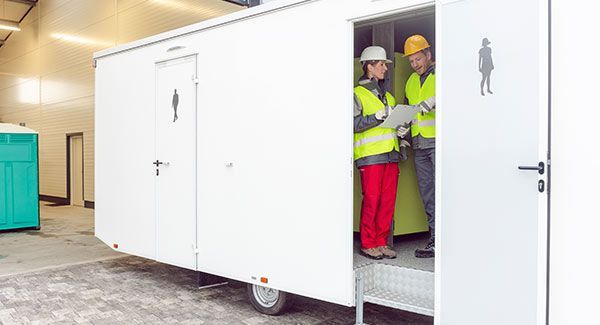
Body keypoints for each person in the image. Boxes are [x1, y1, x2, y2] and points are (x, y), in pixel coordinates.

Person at [354, 46, 399, 260]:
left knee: (387, 201)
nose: (385, 69)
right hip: (370, 156)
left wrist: (400, 128)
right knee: (372, 200)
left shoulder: (388, 96)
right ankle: (368, 243)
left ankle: (381, 242)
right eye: (381, 64)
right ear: (369, 67)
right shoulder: (357, 94)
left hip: (391, 155)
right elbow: (353, 124)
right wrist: (376, 117)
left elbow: (389, 124)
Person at [398, 35, 436, 258]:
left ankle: (451, 237)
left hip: (439, 141)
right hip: (420, 144)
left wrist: (435, 100)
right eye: (411, 61)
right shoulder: (411, 81)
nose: (415, 65)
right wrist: (404, 132)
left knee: (444, 190)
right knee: (428, 192)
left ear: (428, 55)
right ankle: (436, 238)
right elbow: (409, 110)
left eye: (418, 59)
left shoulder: (443, 75)